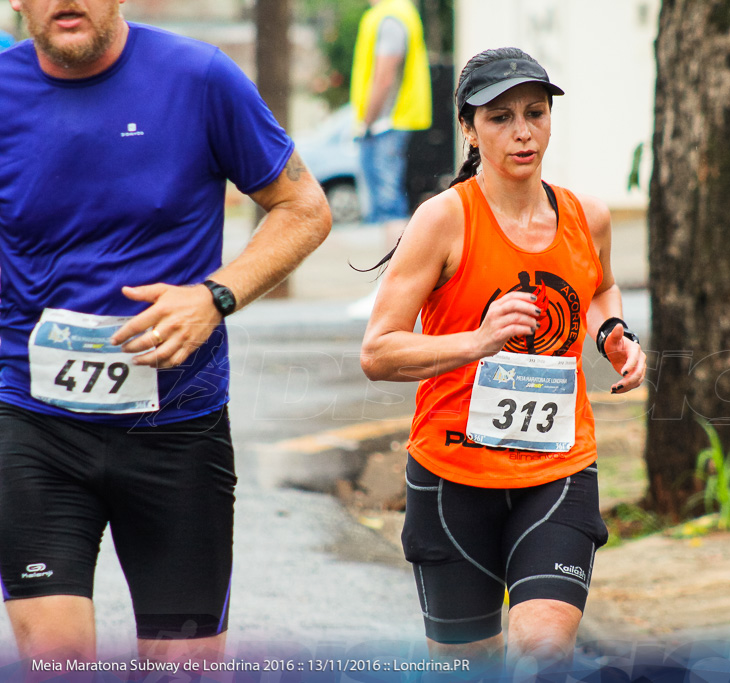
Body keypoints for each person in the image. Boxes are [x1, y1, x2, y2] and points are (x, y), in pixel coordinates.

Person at [0, 0, 331, 665]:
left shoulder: (200, 78)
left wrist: (215, 296)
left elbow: (304, 208)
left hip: (177, 424)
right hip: (33, 421)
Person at [360, 47, 647, 678]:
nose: (523, 132)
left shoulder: (585, 215)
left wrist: (614, 334)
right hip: (452, 474)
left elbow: (598, 286)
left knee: (544, 649)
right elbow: (378, 352)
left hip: (557, 469)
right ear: (468, 127)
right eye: (500, 117)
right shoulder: (443, 221)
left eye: (536, 114)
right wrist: (477, 341)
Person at [346, 0, 431, 319]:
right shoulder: (402, 12)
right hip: (392, 123)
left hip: (384, 125)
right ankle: (396, 289)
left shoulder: (390, 16)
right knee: (391, 203)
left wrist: (366, 122)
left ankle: (392, 291)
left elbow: (384, 75)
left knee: (389, 204)